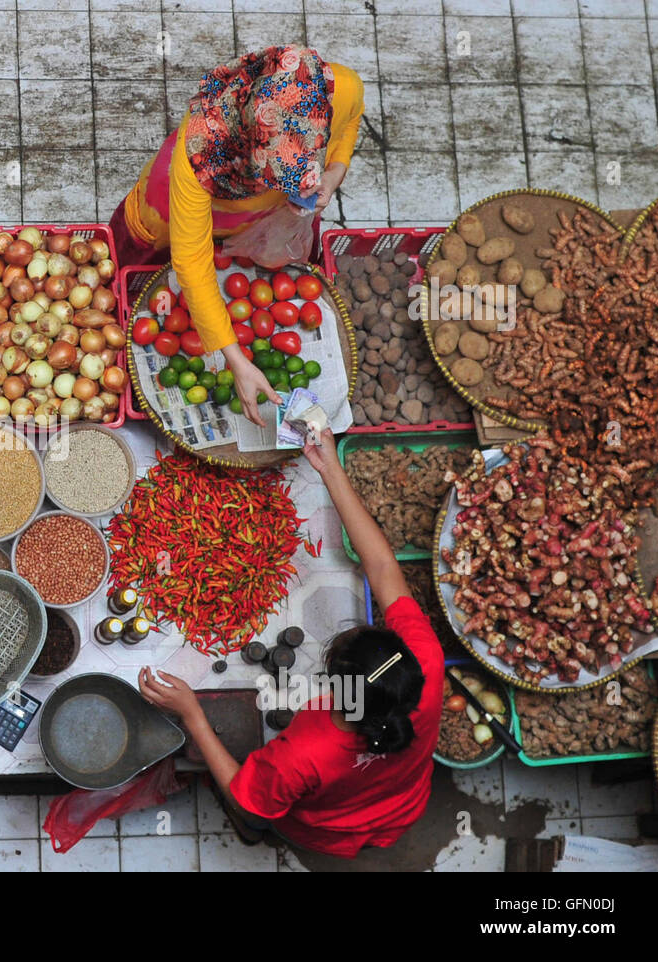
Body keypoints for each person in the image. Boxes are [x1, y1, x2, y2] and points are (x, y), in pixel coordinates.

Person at [137, 429, 445, 859]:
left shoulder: (306, 753)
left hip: (326, 829)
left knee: (255, 821)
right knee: (369, 812)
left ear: (341, 689)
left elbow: (251, 801)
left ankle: (251, 839)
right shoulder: (423, 663)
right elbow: (380, 566)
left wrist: (192, 715)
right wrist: (330, 469)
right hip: (404, 802)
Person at [110, 46, 364, 425]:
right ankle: (120, 297)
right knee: (143, 244)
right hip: (174, 209)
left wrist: (332, 173)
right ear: (247, 149)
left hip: (265, 216)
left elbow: (349, 124)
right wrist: (236, 359)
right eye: (274, 178)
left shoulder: (335, 86)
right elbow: (192, 263)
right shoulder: (201, 154)